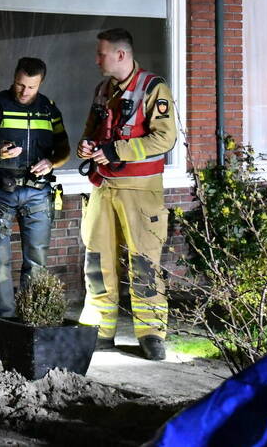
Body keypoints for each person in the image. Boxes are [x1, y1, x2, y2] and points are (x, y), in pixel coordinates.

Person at [77, 28, 177, 361]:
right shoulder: (102, 89)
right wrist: (87, 145)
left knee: (144, 262)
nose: (96, 59)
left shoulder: (153, 88)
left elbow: (165, 139)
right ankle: (99, 329)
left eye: (101, 53)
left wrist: (117, 150)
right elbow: (92, 130)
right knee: (96, 259)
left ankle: (151, 333)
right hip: (102, 187)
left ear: (121, 55)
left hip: (140, 189)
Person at [0, 57, 70, 337]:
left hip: (38, 192)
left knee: (36, 258)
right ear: (14, 77)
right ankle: (5, 321)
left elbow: (63, 147)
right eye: (20, 84)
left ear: (40, 82)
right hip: (0, 192)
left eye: (31, 87)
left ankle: (29, 319)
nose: (23, 92)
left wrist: (52, 163)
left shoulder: (48, 109)